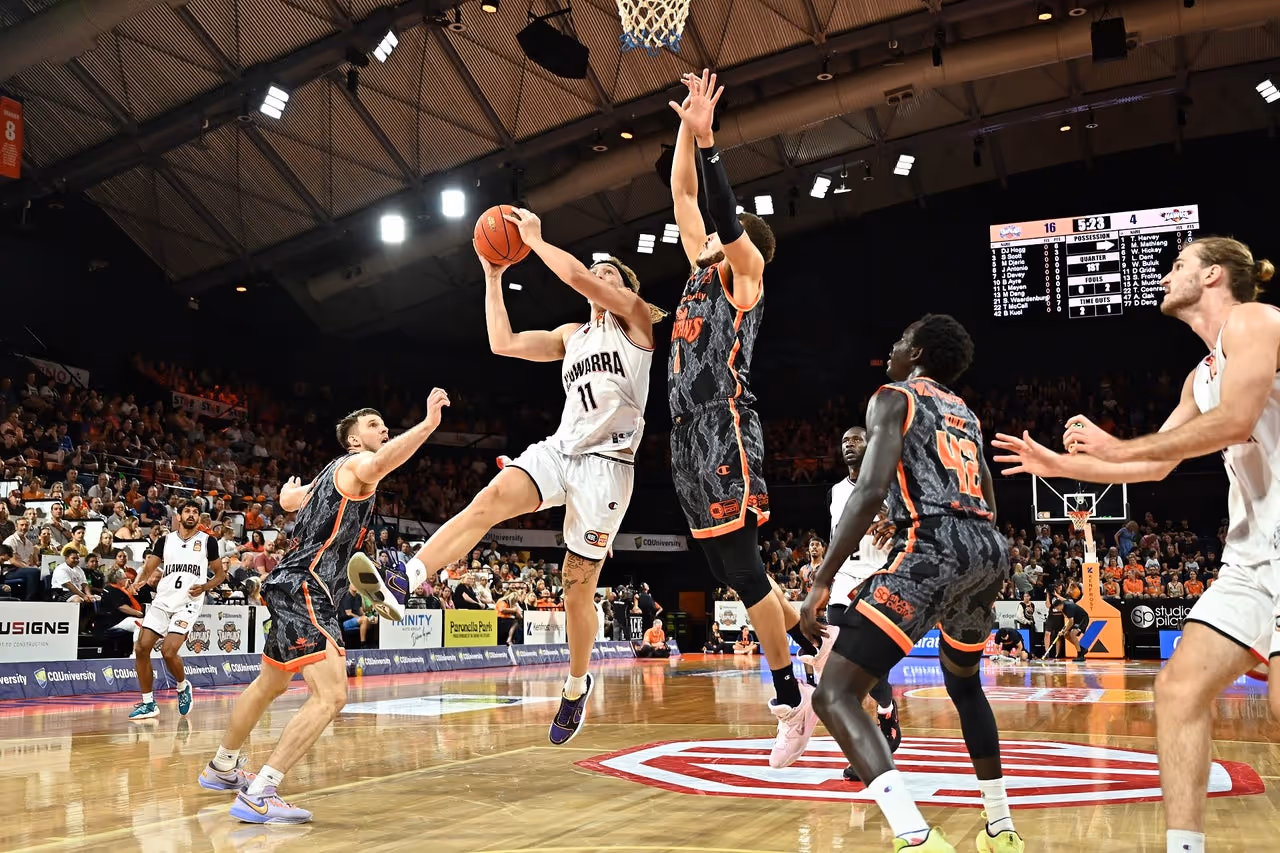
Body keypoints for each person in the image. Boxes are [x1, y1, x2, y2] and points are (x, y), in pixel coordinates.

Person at [992, 236, 1277, 853]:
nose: (1165, 274)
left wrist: (1117, 447)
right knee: (1177, 689)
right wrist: (1056, 466)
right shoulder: (1199, 376)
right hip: (1254, 562)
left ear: (1213, 276)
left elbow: (1235, 421)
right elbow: (1152, 468)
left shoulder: (1257, 320)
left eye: (1178, 264)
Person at [348, 223, 657, 750]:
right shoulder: (571, 336)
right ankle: (410, 577)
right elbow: (503, 342)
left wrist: (536, 240)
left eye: (610, 276)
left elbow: (582, 278)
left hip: (608, 465)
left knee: (576, 585)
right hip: (560, 452)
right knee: (486, 501)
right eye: (598, 273)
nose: (598, 280)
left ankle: (576, 685)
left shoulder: (635, 322)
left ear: (623, 289)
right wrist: (493, 276)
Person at [799, 315, 1022, 853]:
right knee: (965, 684)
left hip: (939, 547)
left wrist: (821, 580)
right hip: (989, 549)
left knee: (835, 694)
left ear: (916, 351)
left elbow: (869, 488)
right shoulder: (964, 412)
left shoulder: (892, 396)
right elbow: (987, 501)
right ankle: (1001, 828)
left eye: (899, 340)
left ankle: (914, 835)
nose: (892, 347)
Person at [196, 396, 448, 824]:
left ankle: (223, 767)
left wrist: (291, 494)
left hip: (291, 584)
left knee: (268, 685)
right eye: (374, 425)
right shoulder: (355, 466)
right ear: (354, 440)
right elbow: (383, 461)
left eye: (385, 425)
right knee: (331, 695)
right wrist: (427, 425)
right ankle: (261, 792)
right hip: (306, 588)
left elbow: (292, 501)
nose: (384, 430)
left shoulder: (330, 475)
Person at [667, 70, 817, 770]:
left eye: (720, 239)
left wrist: (713, 145)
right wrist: (685, 127)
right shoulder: (700, 266)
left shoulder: (743, 272)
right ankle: (824, 648)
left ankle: (790, 700)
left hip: (724, 421)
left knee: (747, 566)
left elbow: (720, 216)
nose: (699, 237)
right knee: (732, 570)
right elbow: (683, 194)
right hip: (683, 430)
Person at [810, 426, 901, 782]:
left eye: (856, 440)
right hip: (844, 584)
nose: (849, 445)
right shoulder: (835, 492)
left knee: (872, 672)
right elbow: (836, 537)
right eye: (844, 440)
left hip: (881, 579)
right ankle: (866, 750)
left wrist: (898, 524)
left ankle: (887, 710)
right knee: (845, 670)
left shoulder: (892, 484)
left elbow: (916, 523)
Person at [126, 499, 225, 720]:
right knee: (141, 648)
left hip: (188, 603)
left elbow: (220, 574)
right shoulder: (165, 540)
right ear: (178, 516)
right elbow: (150, 565)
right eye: (187, 511)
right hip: (163, 600)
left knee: (168, 651)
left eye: (195, 512)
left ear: (199, 517)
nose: (191, 514)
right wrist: (140, 580)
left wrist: (206, 587)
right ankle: (148, 703)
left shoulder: (208, 542)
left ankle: (182, 686)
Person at [1049, 596, 1090, 662]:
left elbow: (1071, 622)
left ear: (1060, 605)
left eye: (1057, 608)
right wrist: (1064, 631)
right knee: (1066, 635)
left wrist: (1063, 631)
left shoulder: (1068, 607)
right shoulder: (1063, 606)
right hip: (1076, 619)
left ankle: (1080, 655)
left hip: (1083, 619)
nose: (1057, 609)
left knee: (1072, 634)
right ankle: (1082, 649)